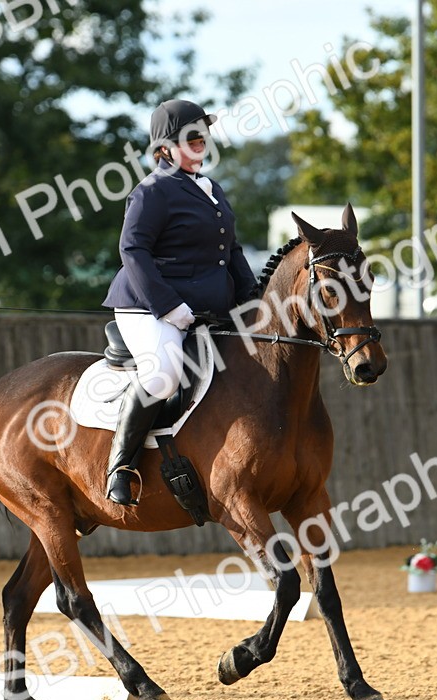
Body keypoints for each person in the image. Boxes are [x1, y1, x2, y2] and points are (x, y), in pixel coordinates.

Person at [101, 99, 258, 506]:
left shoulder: (210, 188)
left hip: (207, 311)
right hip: (149, 307)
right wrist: (168, 306)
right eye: (191, 136)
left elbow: (231, 251)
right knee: (162, 376)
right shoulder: (152, 191)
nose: (200, 142)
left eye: (203, 135)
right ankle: (120, 465)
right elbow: (132, 249)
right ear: (164, 149)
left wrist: (252, 300)